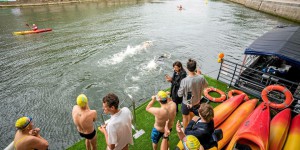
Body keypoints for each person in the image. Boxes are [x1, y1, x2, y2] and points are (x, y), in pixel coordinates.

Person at [178, 58, 208, 129]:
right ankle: (192, 125)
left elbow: (180, 94)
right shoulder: (201, 77)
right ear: (195, 68)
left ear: (187, 68)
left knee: (185, 117)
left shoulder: (184, 80)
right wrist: (199, 75)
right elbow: (206, 85)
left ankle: (186, 131)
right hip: (197, 102)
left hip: (187, 103)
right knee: (192, 113)